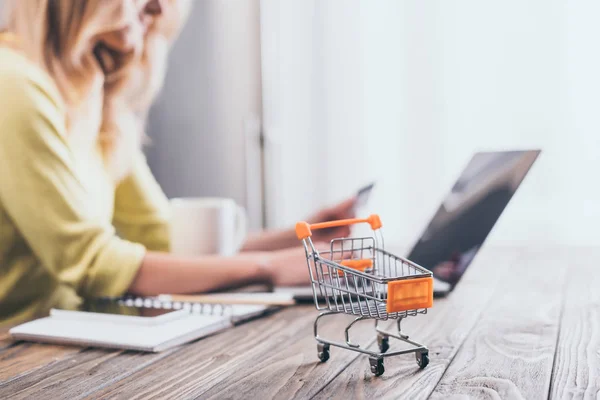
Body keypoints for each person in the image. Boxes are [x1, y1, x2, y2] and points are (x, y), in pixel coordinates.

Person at [0, 0, 355, 323]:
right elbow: (92, 262)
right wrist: (268, 268)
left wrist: (297, 236)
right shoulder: (13, 83)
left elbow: (162, 235)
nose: (157, 11)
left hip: (74, 335)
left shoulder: (89, 89)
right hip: (19, 357)